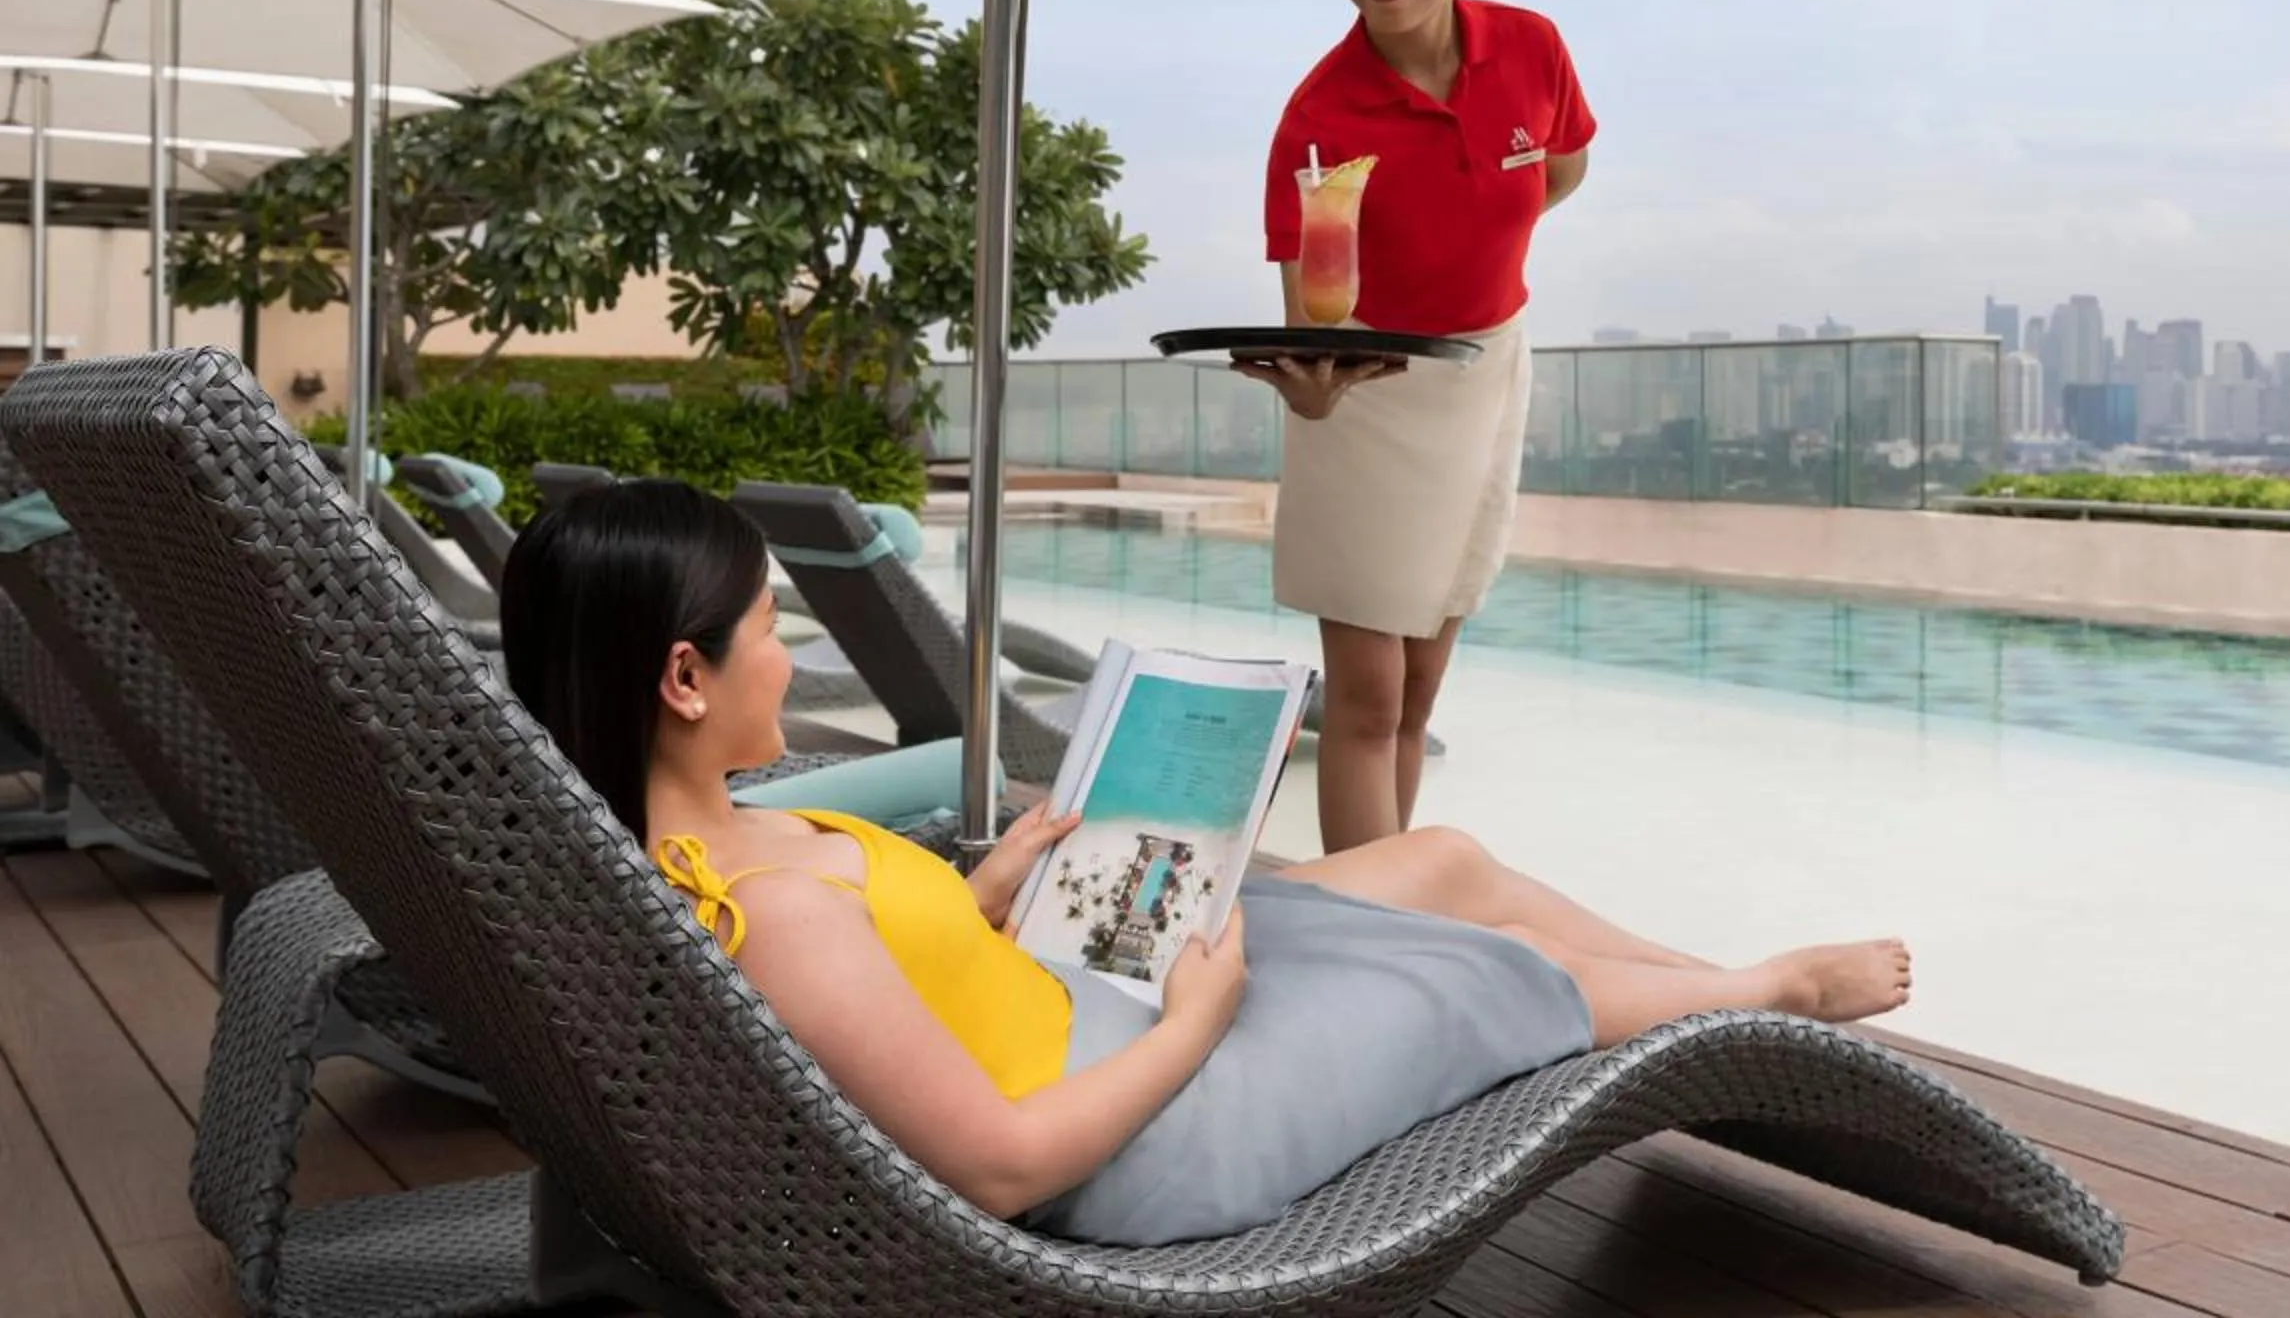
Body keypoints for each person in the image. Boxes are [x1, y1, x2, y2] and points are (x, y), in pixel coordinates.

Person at [501, 480, 1910, 1247]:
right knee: (1490, 977)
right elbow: (997, 1173)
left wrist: (975, 903)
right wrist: (1198, 1024)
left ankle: (1705, 982)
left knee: (1440, 862)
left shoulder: (696, 850)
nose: (790, 651)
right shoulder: (773, 915)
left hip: (1077, 1007)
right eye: (768, 628)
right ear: (684, 677)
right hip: (1148, 1135)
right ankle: (1758, 993)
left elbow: (888, 990)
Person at [1246, 0, 1593, 852]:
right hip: (1368, 394)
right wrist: (1312, 386)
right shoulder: (1320, 113)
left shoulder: (1531, 46)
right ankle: (1366, 925)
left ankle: (1390, 898)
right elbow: (1311, 304)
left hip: (1489, 371)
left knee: (1425, 679)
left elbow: (1560, 169)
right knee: (1367, 690)